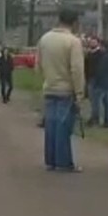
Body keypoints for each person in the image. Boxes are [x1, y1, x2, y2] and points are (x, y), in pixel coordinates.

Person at [39, 9, 87, 172]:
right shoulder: (73, 41)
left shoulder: (44, 39)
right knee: (63, 126)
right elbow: (77, 69)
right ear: (74, 22)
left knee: (50, 125)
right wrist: (79, 92)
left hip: (49, 87)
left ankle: (51, 160)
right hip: (66, 90)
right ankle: (64, 161)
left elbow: (37, 64)